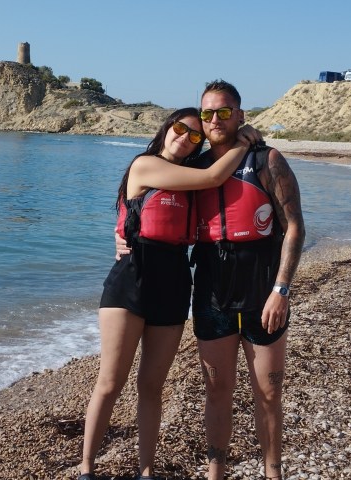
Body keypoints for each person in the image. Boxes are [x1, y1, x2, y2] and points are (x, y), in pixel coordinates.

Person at [117, 80, 305, 479]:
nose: (215, 120)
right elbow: (146, 204)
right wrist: (121, 237)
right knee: (217, 391)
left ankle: (274, 474)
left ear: (240, 115)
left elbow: (294, 229)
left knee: (269, 393)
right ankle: (214, 474)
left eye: (224, 112)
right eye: (207, 114)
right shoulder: (195, 167)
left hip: (261, 289)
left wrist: (281, 290)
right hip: (212, 292)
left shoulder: (267, 159)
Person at [79, 107, 261, 480]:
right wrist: (243, 140)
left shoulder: (190, 182)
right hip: (132, 279)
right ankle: (86, 469)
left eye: (195, 135)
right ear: (166, 130)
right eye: (180, 128)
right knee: (111, 382)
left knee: (151, 385)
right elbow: (214, 175)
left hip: (176, 280)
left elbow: (216, 190)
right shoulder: (145, 165)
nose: (185, 137)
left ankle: (146, 472)